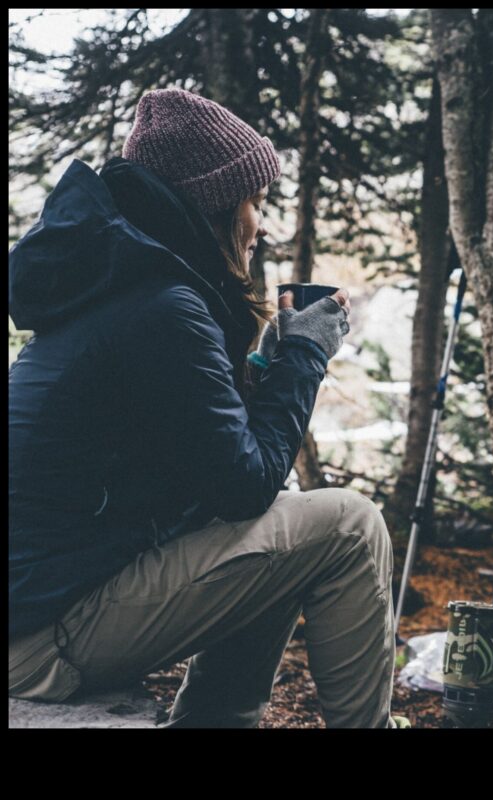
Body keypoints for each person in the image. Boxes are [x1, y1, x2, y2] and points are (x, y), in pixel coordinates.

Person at [8, 88, 401, 728]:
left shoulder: (120, 288)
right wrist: (305, 357)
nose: (261, 224)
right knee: (349, 525)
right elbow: (242, 486)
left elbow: (210, 465)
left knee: (284, 527)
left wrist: (268, 365)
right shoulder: (163, 306)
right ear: (213, 204)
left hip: (35, 611)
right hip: (40, 638)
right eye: (254, 202)